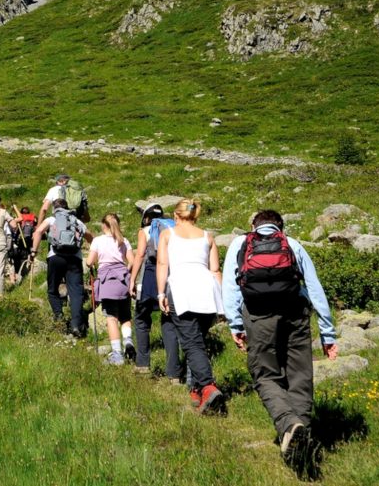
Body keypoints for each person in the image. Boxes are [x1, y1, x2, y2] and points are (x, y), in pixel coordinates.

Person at [222, 210, 338, 471]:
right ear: (280, 228)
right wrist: (328, 334)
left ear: (254, 226)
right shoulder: (293, 245)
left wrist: (235, 324)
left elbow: (230, 288)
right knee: (300, 376)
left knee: (265, 375)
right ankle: (302, 436)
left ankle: (288, 425)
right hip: (295, 314)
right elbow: (315, 289)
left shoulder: (240, 245)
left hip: (258, 317)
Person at [156, 198, 224, 414]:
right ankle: (196, 389)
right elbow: (215, 270)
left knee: (191, 343)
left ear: (176, 215)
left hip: (181, 289)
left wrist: (160, 293)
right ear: (195, 216)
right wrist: (222, 301)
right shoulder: (207, 236)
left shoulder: (168, 234)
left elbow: (162, 264)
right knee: (198, 340)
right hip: (207, 290)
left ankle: (208, 386)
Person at [128, 204, 183, 378]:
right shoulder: (172, 230)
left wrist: (132, 280)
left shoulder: (145, 231)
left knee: (141, 318)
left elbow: (140, 255)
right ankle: (174, 373)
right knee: (168, 321)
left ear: (145, 218)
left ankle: (143, 364)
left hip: (150, 277)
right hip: (169, 277)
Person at [31, 199, 93, 337]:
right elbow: (89, 236)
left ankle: (59, 318)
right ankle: (76, 325)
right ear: (67, 207)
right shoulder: (76, 221)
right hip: (74, 258)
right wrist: (92, 253)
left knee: (53, 290)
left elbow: (39, 231)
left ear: (55, 208)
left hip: (56, 257)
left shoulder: (52, 219)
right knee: (76, 293)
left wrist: (34, 251)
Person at [85, 213, 135, 365]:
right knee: (125, 316)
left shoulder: (98, 241)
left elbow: (89, 261)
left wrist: (94, 265)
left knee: (111, 318)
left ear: (103, 225)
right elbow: (132, 262)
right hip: (123, 281)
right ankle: (128, 342)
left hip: (107, 282)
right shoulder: (124, 240)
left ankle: (117, 354)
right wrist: (124, 271)